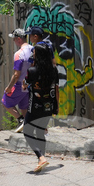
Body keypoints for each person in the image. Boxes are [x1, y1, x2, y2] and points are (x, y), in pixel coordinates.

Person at [22, 43, 58, 173]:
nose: (33, 54)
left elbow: (24, 85)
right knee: (40, 132)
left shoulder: (32, 71)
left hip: (34, 106)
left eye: (35, 52)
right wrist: (56, 107)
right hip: (49, 106)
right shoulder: (54, 70)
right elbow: (56, 88)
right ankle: (41, 159)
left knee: (27, 132)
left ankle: (41, 157)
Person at [3, 28, 33, 132]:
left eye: (14, 39)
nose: (14, 41)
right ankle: (27, 127)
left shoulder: (19, 54)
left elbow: (16, 75)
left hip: (20, 83)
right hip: (29, 83)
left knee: (5, 101)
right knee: (24, 106)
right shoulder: (33, 49)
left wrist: (9, 87)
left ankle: (20, 120)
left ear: (19, 39)